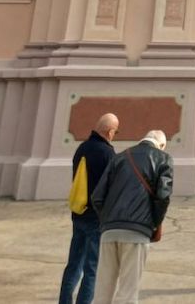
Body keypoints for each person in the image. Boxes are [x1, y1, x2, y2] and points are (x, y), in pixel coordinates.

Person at [91, 128, 173, 304]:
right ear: (161, 145)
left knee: (102, 291)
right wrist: (154, 223)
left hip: (109, 231)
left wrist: (108, 221)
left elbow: (97, 197)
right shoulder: (163, 158)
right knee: (127, 293)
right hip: (137, 233)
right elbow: (163, 197)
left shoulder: (119, 157)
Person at [57, 112, 119, 304]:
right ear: (110, 132)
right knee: (92, 269)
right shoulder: (107, 153)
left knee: (73, 265)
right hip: (96, 217)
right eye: (116, 132)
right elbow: (113, 187)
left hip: (78, 213)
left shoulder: (82, 148)